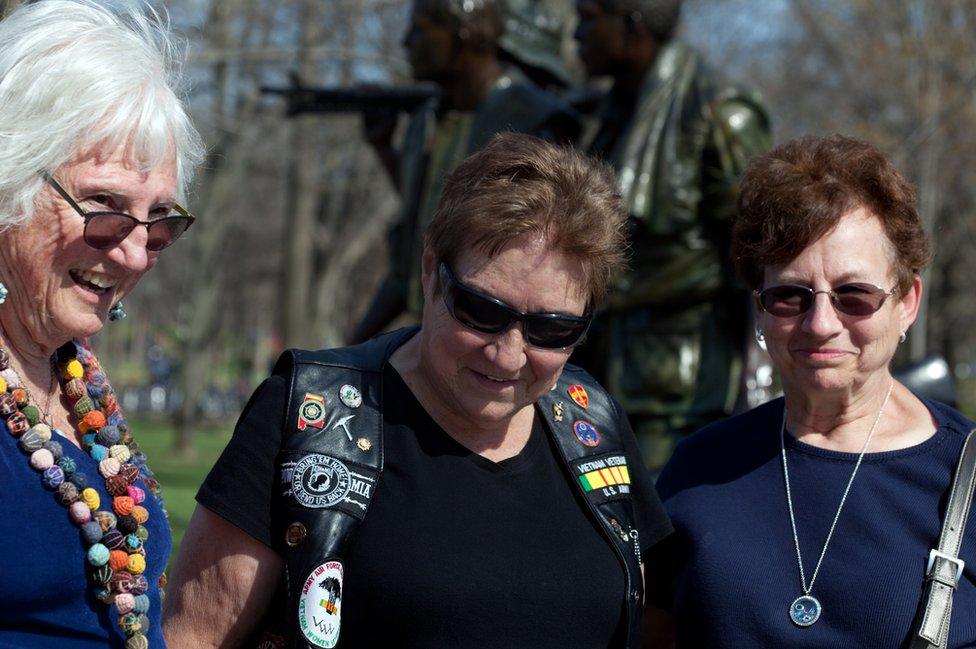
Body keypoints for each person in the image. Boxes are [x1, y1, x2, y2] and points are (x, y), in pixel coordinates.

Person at [163, 133, 672, 648]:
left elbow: (653, 625)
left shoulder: (595, 424)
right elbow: (194, 636)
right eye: (483, 311)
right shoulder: (308, 415)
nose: (508, 354)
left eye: (553, 329)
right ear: (430, 272)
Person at [645, 135, 976, 647]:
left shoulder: (964, 475)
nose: (821, 323)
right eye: (789, 297)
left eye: (854, 296)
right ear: (759, 308)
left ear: (907, 302)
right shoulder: (697, 470)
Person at [0, 0, 204, 646]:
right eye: (105, 209)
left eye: (160, 222)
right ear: (9, 181)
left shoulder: (70, 366)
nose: (136, 252)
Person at [571, 0, 772, 471]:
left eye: (588, 18)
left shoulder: (721, 112)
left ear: (631, 26)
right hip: (605, 369)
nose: (577, 33)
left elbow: (761, 257)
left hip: (687, 388)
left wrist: (758, 382)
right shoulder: (605, 116)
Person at [350, 0, 579, 345]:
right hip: (436, 325)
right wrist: (385, 150)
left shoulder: (535, 119)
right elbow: (430, 225)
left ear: (463, 33)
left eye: (420, 29)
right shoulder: (428, 120)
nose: (406, 42)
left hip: (495, 334)